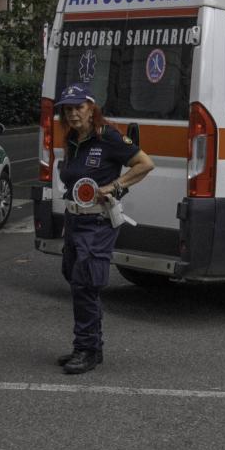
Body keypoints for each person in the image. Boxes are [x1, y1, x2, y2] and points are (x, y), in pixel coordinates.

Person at [54, 83, 154, 375]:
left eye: (79, 108)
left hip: (97, 222)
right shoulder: (72, 139)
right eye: (68, 109)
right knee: (74, 277)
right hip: (75, 220)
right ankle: (89, 346)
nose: (73, 114)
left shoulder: (108, 136)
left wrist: (113, 187)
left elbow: (145, 164)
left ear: (91, 108)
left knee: (86, 282)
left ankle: (86, 349)